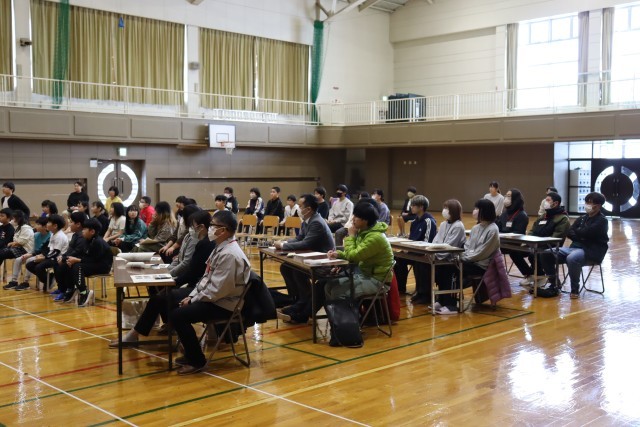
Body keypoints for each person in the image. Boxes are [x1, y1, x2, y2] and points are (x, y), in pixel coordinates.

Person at [110, 210, 251, 375]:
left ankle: (197, 361)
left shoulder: (230, 254)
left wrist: (193, 300)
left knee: (178, 315)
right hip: (213, 297)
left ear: (223, 230)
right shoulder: (220, 247)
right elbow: (206, 279)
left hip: (223, 304)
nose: (210, 228)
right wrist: (191, 296)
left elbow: (218, 290)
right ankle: (188, 350)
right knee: (168, 302)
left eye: (213, 225)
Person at [274, 194, 335, 324]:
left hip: (323, 263)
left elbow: (306, 243)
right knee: (286, 267)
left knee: (297, 271)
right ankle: (296, 300)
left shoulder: (316, 222)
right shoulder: (307, 220)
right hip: (311, 259)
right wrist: (284, 242)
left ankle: (303, 302)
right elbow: (299, 238)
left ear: (308, 209)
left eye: (301, 206)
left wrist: (284, 246)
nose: (299, 208)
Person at [435, 199, 500, 314]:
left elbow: (482, 252)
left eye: (477, 209)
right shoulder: (476, 228)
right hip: (469, 261)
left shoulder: (493, 230)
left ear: (484, 211)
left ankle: (451, 305)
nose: (474, 211)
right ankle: (442, 300)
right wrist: (461, 256)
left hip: (480, 265)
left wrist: (463, 258)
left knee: (452, 268)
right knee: (444, 266)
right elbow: (467, 247)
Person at [540, 192, 609, 299]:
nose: (587, 205)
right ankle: (554, 284)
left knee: (572, 258)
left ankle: (575, 289)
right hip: (575, 248)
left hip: (591, 251)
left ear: (598, 206)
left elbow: (588, 233)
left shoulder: (602, 220)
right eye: (586, 202)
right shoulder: (582, 218)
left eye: (590, 203)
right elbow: (570, 231)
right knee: (546, 253)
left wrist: (580, 233)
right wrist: (581, 235)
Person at [325, 202, 394, 301]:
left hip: (377, 281)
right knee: (329, 285)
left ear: (365, 220)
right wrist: (338, 254)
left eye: (356, 216)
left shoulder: (375, 237)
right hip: (365, 275)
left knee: (337, 292)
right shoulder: (364, 232)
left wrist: (351, 236)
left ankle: (348, 311)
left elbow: (353, 257)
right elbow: (355, 253)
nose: (353, 219)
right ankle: (338, 311)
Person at [411, 199, 467, 305]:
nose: (444, 210)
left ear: (453, 211)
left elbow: (450, 246)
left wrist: (436, 256)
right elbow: (436, 241)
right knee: (419, 261)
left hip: (451, 259)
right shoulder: (443, 224)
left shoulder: (458, 226)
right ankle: (420, 292)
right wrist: (431, 254)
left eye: (447, 208)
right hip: (438, 255)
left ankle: (427, 295)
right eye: (444, 208)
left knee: (425, 265)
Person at [514, 192, 570, 288]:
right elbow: (532, 230)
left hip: (550, 247)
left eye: (548, 200)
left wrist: (537, 243)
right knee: (515, 251)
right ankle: (530, 275)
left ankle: (541, 277)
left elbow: (555, 238)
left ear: (555, 203)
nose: (545, 202)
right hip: (535, 244)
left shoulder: (563, 218)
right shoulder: (543, 216)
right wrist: (528, 240)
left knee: (533, 254)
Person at [59, 218, 113, 306]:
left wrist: (77, 260)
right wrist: (69, 259)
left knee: (78, 266)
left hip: (102, 267)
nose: (82, 231)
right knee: (67, 264)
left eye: (84, 229)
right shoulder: (87, 240)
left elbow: (94, 260)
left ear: (92, 231)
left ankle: (84, 292)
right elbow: (83, 255)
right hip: (92, 264)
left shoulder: (98, 242)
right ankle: (71, 289)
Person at [394, 195, 437, 295]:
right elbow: (412, 240)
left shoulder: (429, 221)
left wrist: (410, 250)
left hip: (423, 254)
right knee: (398, 258)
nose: (411, 207)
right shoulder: (414, 222)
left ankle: (421, 292)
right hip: (413, 252)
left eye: (413, 205)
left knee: (419, 262)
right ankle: (400, 288)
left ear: (421, 207)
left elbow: (427, 243)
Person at [25, 214, 69, 291]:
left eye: (48, 222)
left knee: (39, 267)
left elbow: (56, 252)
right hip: (50, 257)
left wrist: (44, 258)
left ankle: (49, 282)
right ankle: (48, 279)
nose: (47, 224)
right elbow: (48, 249)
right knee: (30, 264)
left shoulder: (60, 236)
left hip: (57, 259)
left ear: (55, 226)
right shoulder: (53, 234)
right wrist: (41, 255)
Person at [51, 212, 88, 299]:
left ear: (78, 224)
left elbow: (77, 252)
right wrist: (62, 256)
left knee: (65, 265)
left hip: (79, 260)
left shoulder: (82, 236)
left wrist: (64, 258)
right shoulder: (75, 235)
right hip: (72, 257)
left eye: (71, 222)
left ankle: (69, 289)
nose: (69, 224)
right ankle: (62, 288)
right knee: (56, 263)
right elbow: (70, 250)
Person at [8, 217, 51, 291]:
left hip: (43, 255)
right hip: (34, 253)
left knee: (29, 260)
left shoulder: (50, 236)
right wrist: (28, 254)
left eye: (38, 224)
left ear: (45, 226)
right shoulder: (36, 235)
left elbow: (45, 251)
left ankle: (26, 282)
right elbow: (33, 248)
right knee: (18, 259)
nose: (36, 226)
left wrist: (31, 255)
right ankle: (14, 281)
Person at [0, 210, 34, 287]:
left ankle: (16, 281)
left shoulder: (26, 227)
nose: (12, 220)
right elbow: (16, 240)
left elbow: (21, 241)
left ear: (19, 219)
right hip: (17, 248)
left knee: (2, 253)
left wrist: (13, 243)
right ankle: (14, 281)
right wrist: (14, 243)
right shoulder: (18, 227)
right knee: (2, 252)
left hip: (25, 250)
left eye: (13, 218)